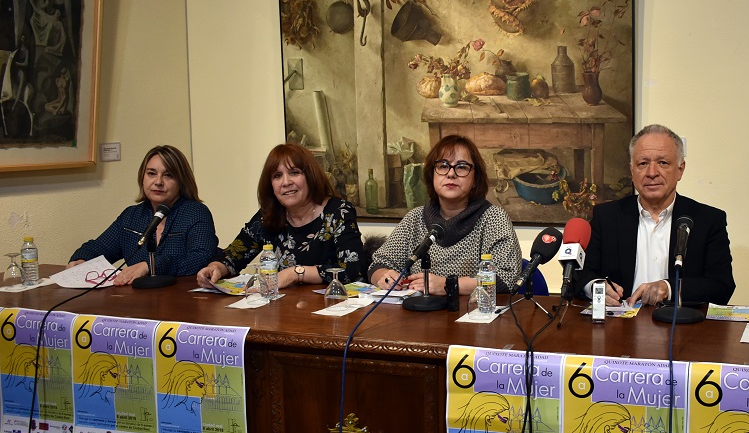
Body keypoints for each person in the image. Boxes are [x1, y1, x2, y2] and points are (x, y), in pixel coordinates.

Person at [576, 124, 736, 307]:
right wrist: (596, 287)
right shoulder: (607, 217)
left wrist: (669, 288)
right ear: (632, 170)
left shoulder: (707, 220)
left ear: (680, 170)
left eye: (663, 163)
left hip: (682, 329)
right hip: (619, 327)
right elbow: (581, 274)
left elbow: (721, 287)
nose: (652, 173)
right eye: (643, 163)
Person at [197, 142, 365, 289]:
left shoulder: (338, 211)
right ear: (271, 185)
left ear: (310, 176)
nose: (286, 182)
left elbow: (352, 270)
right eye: (277, 176)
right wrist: (216, 267)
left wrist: (295, 273)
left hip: (332, 308)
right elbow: (233, 255)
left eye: (294, 172)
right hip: (282, 310)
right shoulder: (268, 214)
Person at [368, 134, 522, 295]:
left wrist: (448, 285)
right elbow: (377, 265)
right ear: (432, 174)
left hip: (473, 315)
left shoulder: (493, 218)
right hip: (418, 316)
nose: (451, 174)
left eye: (461, 167)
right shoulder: (414, 218)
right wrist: (385, 277)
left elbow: (507, 278)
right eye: (443, 166)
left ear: (475, 179)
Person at [69, 145, 218, 286]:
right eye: (151, 174)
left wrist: (150, 266)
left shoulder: (196, 213)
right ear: (142, 177)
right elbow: (99, 247)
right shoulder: (132, 216)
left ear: (181, 181)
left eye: (168, 175)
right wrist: (81, 259)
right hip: (138, 301)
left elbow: (200, 258)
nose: (158, 182)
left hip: (183, 300)